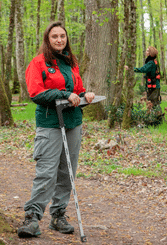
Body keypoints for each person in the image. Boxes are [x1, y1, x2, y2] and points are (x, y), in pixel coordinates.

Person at [17, 21, 95, 238]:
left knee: (67, 171)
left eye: (62, 36)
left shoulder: (71, 62)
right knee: (47, 172)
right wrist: (62, 94)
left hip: (73, 123)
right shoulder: (39, 62)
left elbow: (77, 90)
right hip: (50, 123)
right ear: (48, 39)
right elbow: (35, 94)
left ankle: (58, 215)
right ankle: (32, 217)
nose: (60, 40)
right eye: (55, 36)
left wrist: (85, 95)